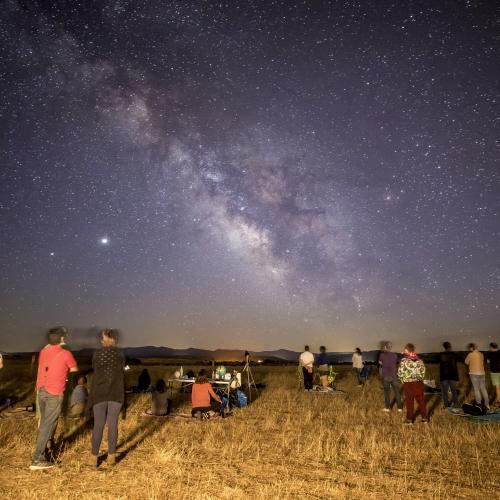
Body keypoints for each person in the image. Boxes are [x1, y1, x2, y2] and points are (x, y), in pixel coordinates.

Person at [30, 327, 78, 470]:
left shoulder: (43, 352)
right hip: (54, 391)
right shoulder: (65, 353)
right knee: (47, 424)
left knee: (45, 422)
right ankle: (37, 459)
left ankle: (43, 453)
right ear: (62, 339)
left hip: (41, 390)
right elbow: (74, 369)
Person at [87, 329, 125, 467]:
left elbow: (95, 369)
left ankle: (93, 458)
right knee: (113, 424)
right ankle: (111, 457)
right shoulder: (120, 353)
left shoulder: (97, 354)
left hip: (99, 392)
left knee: (98, 424)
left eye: (102, 337)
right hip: (115, 392)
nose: (101, 340)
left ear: (106, 339)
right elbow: (122, 368)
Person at [398, 343, 427, 424]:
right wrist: (419, 379)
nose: (404, 351)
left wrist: (403, 380)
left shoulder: (404, 361)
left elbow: (400, 373)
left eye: (405, 349)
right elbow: (423, 372)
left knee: (409, 402)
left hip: (408, 384)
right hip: (418, 383)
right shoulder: (420, 360)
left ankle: (409, 420)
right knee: (421, 401)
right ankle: (424, 418)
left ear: (407, 350)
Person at [378, 342, 402, 412]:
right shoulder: (395, 355)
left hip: (386, 375)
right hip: (394, 375)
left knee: (387, 392)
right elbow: (395, 362)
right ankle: (399, 408)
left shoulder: (382, 355)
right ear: (390, 347)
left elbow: (380, 363)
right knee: (397, 392)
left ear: (385, 347)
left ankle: (387, 408)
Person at [465, 343, 489, 409]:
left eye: (469, 348)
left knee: (476, 389)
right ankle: (487, 404)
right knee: (483, 388)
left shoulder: (470, 354)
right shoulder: (481, 354)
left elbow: (466, 362)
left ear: (471, 348)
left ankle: (479, 404)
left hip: (474, 373)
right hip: (482, 373)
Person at [439, 342, 459, 408]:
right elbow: (455, 366)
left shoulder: (441, 355)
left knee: (444, 391)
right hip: (453, 375)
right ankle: (455, 404)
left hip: (444, 376)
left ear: (444, 347)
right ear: (450, 346)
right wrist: (457, 377)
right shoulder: (454, 354)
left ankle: (446, 404)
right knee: (454, 390)